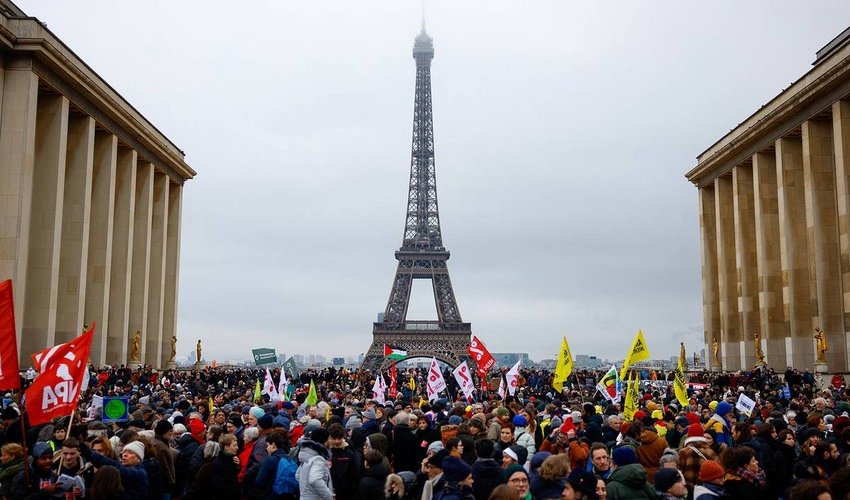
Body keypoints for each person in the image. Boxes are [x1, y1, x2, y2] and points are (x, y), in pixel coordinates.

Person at [82, 439, 149, 500]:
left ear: (139, 459)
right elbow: (105, 491)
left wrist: (89, 453)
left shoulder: (139, 473)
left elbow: (116, 468)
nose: (125, 454)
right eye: (124, 451)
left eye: (130, 452)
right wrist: (83, 491)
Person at [254, 428, 295, 500]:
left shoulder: (270, 460)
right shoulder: (290, 459)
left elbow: (259, 481)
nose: (266, 448)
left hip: (271, 495)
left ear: (273, 445)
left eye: (267, 445)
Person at [297, 428, 333, 500]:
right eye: (329, 438)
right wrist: (329, 496)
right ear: (324, 441)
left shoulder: (307, 457)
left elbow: (297, 475)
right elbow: (315, 479)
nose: (331, 441)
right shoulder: (318, 460)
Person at [328, 423, 359, 500]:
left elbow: (355, 474)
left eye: (339, 438)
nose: (337, 441)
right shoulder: (326, 453)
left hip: (345, 493)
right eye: (334, 438)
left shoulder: (349, 453)